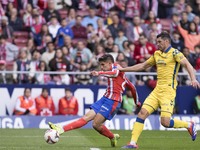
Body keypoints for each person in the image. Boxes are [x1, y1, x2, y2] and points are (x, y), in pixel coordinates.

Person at [118, 32, 200, 149]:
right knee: (142, 113)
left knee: (165, 122)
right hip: (157, 90)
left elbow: (187, 65)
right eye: (157, 42)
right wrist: (123, 69)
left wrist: (193, 79)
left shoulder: (175, 53)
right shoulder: (157, 54)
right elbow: (142, 66)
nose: (157, 44)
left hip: (168, 91)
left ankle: (189, 124)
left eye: (160, 42)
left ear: (166, 41)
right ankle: (132, 143)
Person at [48, 54, 140, 147]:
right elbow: (132, 87)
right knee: (86, 117)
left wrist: (99, 73)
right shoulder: (116, 73)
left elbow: (116, 74)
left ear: (109, 63)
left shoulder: (117, 68)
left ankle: (112, 137)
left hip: (113, 101)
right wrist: (137, 102)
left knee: (95, 124)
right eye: (100, 65)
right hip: (105, 98)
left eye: (103, 64)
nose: (101, 67)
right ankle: (61, 129)